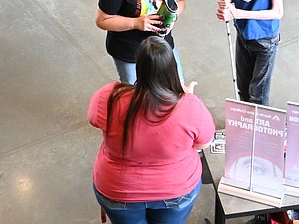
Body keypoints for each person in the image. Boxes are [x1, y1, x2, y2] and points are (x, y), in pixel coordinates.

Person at [88, 36, 215, 224]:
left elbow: (94, 120)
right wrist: (185, 98)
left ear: (138, 67)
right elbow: (204, 142)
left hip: (118, 190)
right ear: (172, 69)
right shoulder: (190, 106)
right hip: (176, 191)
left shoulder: (108, 97)